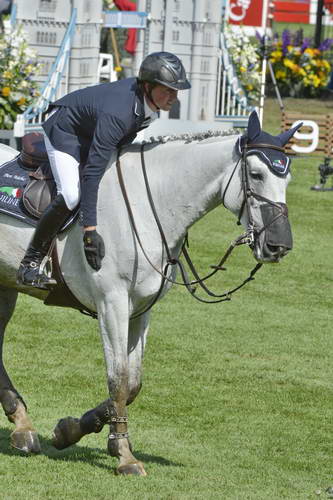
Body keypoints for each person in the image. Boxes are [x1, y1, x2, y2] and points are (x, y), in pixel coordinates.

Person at [17, 51, 191, 289]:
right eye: (168, 89)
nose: (174, 96)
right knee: (71, 195)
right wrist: (90, 230)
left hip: (92, 129)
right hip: (65, 130)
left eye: (176, 90)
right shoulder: (119, 113)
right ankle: (30, 263)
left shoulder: (148, 102)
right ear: (148, 86)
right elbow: (92, 172)